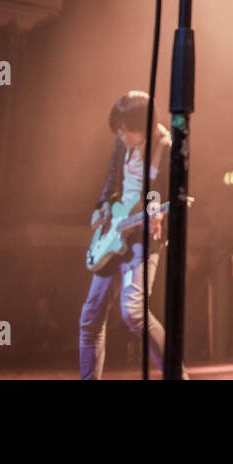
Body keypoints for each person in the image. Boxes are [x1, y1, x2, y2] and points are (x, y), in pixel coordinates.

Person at [78, 91, 171, 379]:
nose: (121, 135)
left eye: (126, 129)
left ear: (144, 125)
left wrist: (157, 207)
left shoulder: (167, 147)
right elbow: (112, 177)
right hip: (114, 233)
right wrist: (102, 206)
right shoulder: (122, 144)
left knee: (133, 312)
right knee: (91, 317)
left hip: (144, 236)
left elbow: (165, 189)